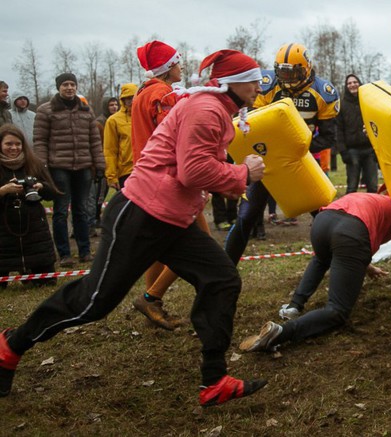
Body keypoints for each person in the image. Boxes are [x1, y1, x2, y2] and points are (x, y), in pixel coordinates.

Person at [0, 49, 269, 406]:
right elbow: (193, 171)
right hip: (141, 215)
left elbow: (191, 164)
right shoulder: (206, 110)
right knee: (93, 303)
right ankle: (10, 345)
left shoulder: (216, 109)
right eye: (254, 79)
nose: (259, 85)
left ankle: (214, 380)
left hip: (172, 218)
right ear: (235, 82)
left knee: (222, 278)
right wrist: (243, 174)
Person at [238, 192, 391, 353]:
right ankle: (280, 333)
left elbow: (349, 235)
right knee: (338, 311)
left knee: (321, 258)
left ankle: (294, 306)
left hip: (323, 221)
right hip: (351, 234)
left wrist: (365, 266)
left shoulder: (373, 198)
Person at [225, 43, 339, 263]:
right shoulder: (267, 86)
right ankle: (226, 267)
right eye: (282, 71)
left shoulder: (322, 92)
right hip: (266, 160)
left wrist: (296, 148)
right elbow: (251, 127)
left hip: (300, 161)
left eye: (292, 72)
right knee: (246, 216)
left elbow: (328, 137)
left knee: (324, 215)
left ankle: (340, 259)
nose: (287, 77)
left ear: (305, 69)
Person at [129, 40, 195, 330]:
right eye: (178, 62)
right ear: (168, 68)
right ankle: (151, 296)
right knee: (199, 244)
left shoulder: (143, 93)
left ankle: (152, 304)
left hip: (145, 177)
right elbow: (175, 133)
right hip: (168, 179)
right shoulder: (162, 94)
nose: (182, 66)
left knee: (155, 248)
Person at [33, 73, 104, 269]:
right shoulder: (45, 111)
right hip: (59, 168)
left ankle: (84, 250)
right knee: (61, 211)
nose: (69, 88)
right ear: (58, 87)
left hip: (83, 167)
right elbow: (40, 141)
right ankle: (64, 254)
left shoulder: (86, 110)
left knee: (81, 210)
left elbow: (95, 141)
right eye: (65, 84)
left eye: (72, 84)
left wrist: (99, 165)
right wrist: (43, 167)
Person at [0, 124, 60, 289]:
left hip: (34, 229)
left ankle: (31, 271)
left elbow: (53, 192)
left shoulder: (34, 163)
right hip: (3, 230)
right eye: (9, 144)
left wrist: (41, 187)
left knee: (46, 281)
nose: (14, 148)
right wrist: (4, 191)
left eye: (18, 144)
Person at [337, 73, 378, 194]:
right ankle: (349, 212)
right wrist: (343, 152)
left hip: (370, 149)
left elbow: (376, 124)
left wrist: (377, 147)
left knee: (373, 186)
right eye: (349, 83)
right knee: (352, 187)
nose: (352, 85)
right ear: (346, 86)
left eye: (355, 82)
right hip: (352, 151)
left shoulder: (368, 102)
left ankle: (373, 212)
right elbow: (338, 130)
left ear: (359, 84)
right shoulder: (342, 105)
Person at [86, 97, 119, 232]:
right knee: (98, 194)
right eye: (111, 105)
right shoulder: (99, 123)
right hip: (102, 163)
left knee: (107, 193)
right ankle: (93, 220)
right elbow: (97, 145)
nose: (114, 107)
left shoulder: (120, 119)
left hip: (117, 162)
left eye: (116, 104)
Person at [104, 83, 136, 191]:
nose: (131, 101)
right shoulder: (113, 121)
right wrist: (111, 176)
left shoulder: (145, 116)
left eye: (133, 97)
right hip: (126, 172)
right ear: (122, 100)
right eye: (127, 98)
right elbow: (110, 150)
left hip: (146, 169)